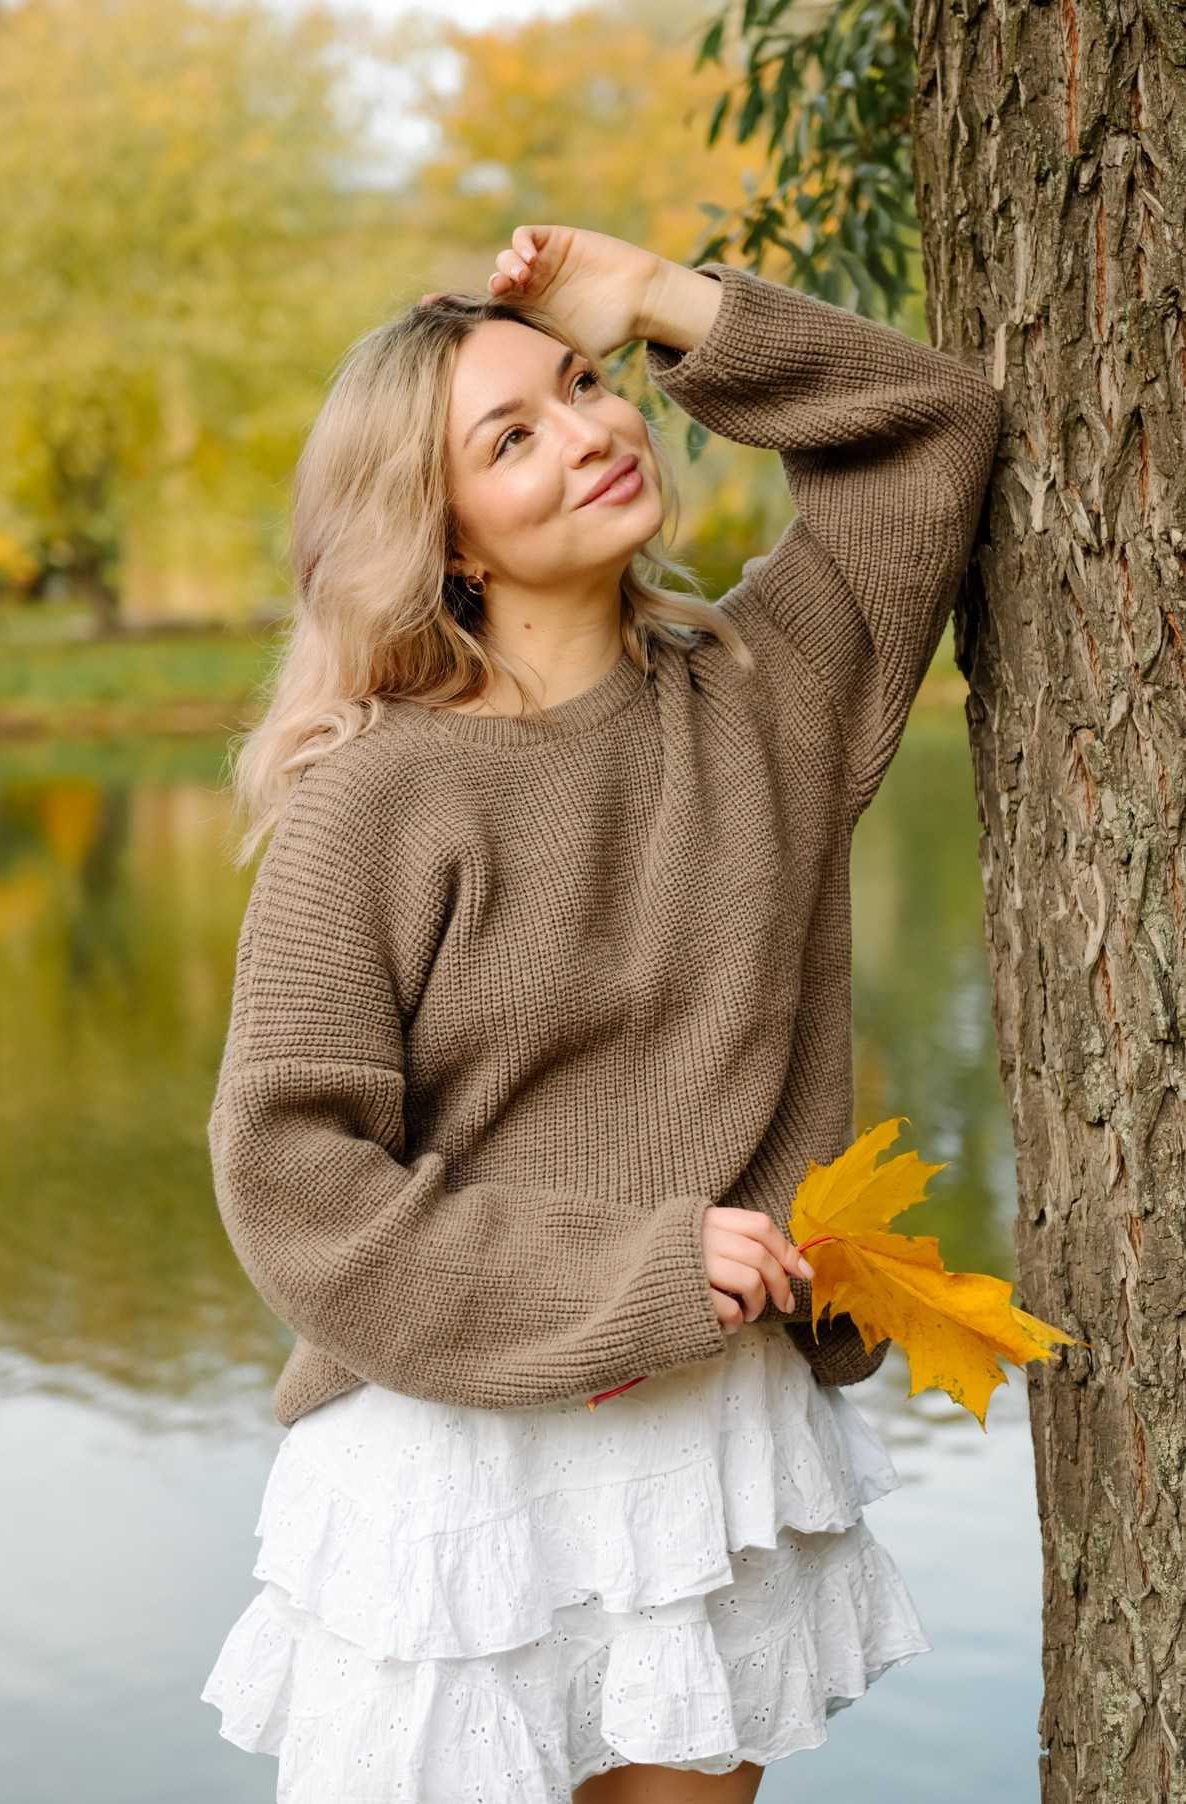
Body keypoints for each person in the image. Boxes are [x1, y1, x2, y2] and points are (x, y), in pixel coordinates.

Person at [199, 223, 1002, 1801]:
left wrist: (656, 302)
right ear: (445, 541)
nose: (592, 433)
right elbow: (290, 1175)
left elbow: (931, 428)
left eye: (585, 387)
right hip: (457, 1460)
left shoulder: (771, 691)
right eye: (514, 438)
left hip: (698, 1447)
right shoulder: (376, 799)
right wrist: (629, 1266)